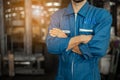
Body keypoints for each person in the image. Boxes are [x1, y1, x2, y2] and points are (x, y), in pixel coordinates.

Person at [46, 0, 112, 80]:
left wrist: (64, 40)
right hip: (63, 77)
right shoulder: (57, 16)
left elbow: (99, 49)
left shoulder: (101, 15)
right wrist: (82, 38)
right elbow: (51, 46)